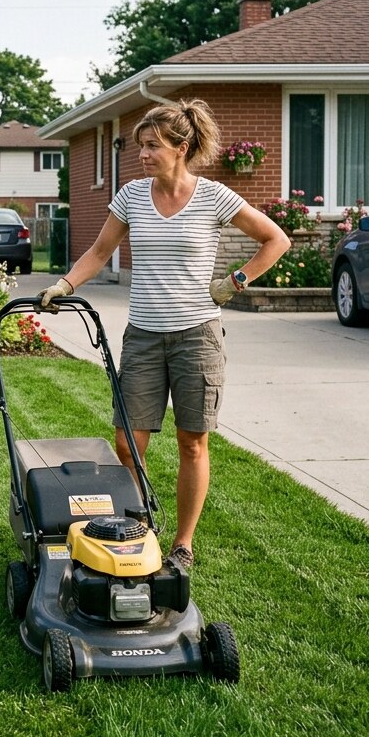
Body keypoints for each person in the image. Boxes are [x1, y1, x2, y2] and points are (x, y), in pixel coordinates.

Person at [40, 98, 290, 570]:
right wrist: (64, 285)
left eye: (152, 146)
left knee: (193, 442)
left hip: (197, 335)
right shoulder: (132, 196)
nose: (143, 155)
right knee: (127, 442)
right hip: (144, 337)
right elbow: (98, 251)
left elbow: (276, 239)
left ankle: (183, 543)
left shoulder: (214, 196)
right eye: (140, 147)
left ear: (182, 147)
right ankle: (142, 523)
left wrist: (236, 280)